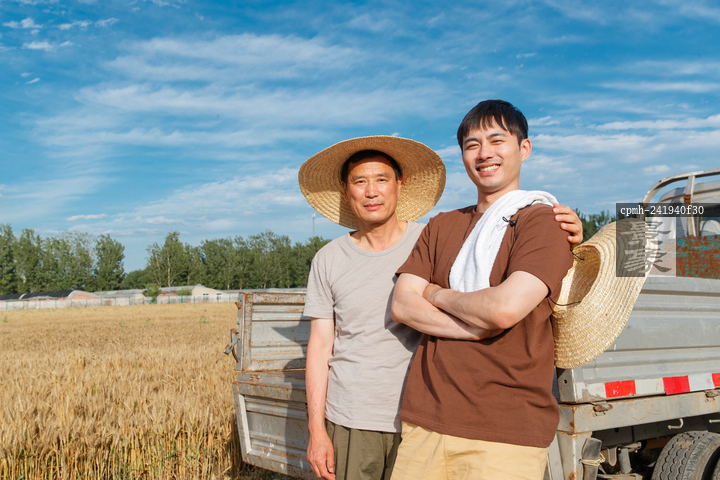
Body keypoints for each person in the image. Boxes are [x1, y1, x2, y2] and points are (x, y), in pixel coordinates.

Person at [297, 134, 582, 480]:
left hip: (426, 416)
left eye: (382, 179)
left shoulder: (434, 238)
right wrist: (316, 430)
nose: (372, 192)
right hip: (353, 418)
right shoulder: (328, 259)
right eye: (360, 182)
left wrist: (569, 229)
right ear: (346, 190)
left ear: (399, 185)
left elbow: (505, 244)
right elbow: (320, 347)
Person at [389, 99, 576, 480]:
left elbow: (504, 309)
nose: (484, 153)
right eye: (472, 145)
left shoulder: (544, 222)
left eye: (497, 140)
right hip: (426, 420)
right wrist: (476, 327)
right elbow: (403, 305)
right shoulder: (442, 225)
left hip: (506, 431)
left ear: (524, 148)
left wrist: (436, 294)